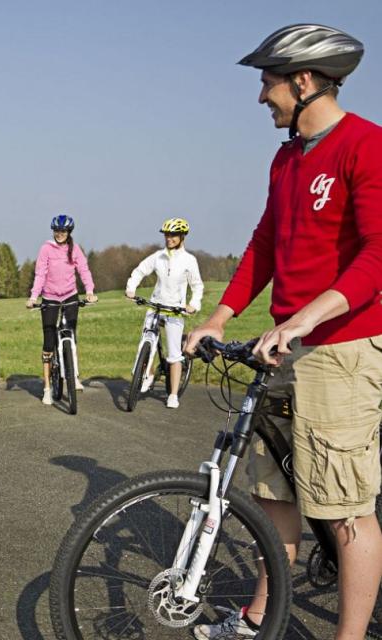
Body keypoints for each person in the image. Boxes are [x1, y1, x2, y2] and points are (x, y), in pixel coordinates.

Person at [186, 25, 382, 640]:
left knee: (345, 507)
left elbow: (377, 255)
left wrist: (306, 317)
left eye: (267, 82)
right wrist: (219, 316)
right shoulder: (286, 158)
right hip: (287, 347)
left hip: (342, 348)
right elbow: (265, 244)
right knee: (275, 495)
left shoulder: (365, 145)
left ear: (302, 82)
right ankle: (257, 619)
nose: (261, 96)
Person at [125, 217, 203, 409]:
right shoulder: (158, 256)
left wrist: (193, 304)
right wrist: (131, 288)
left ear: (182, 237)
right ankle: (147, 375)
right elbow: (140, 271)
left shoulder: (189, 260)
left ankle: (173, 395)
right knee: (146, 343)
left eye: (173, 235)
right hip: (155, 306)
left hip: (175, 310)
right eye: (167, 235)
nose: (169, 238)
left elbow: (197, 286)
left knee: (174, 354)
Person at [26, 214, 97, 405]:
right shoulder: (46, 249)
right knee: (48, 343)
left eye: (63, 231)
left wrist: (90, 291)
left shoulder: (75, 249)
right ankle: (47, 389)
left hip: (70, 296)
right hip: (49, 297)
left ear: (69, 232)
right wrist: (33, 297)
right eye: (57, 231)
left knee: (71, 335)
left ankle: (74, 375)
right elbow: (40, 274)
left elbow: (84, 270)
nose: (59, 234)